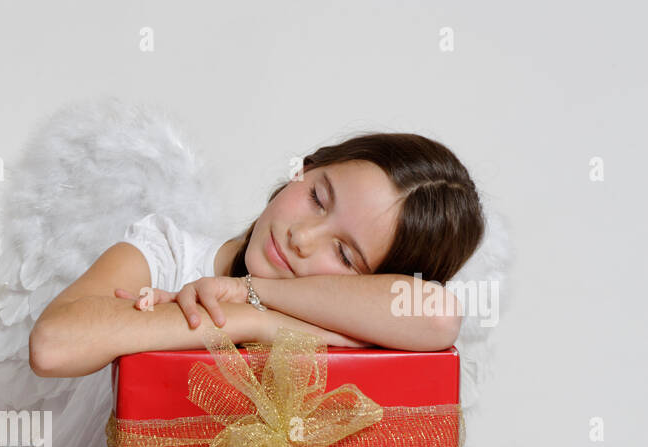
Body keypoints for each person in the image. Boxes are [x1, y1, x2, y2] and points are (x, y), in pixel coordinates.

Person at [28, 132, 486, 377]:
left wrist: (252, 303)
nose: (302, 237)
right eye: (317, 198)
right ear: (303, 169)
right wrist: (250, 319)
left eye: (346, 256)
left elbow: (440, 315)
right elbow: (53, 347)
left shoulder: (373, 323)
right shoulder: (167, 252)